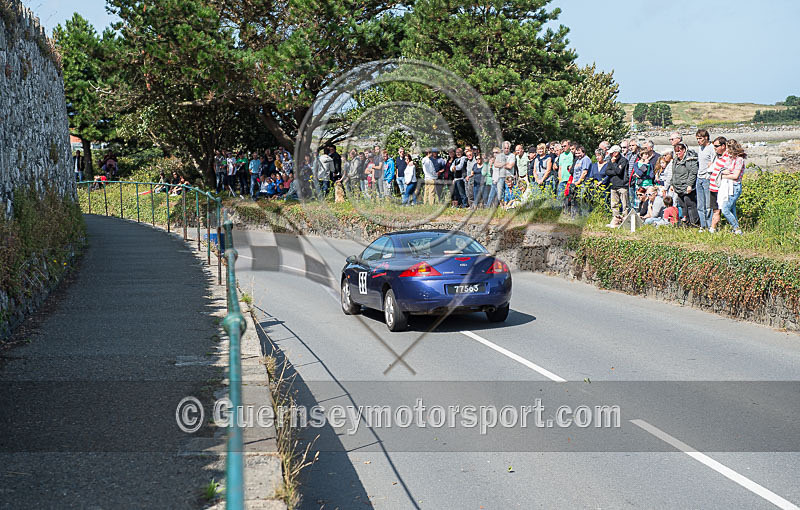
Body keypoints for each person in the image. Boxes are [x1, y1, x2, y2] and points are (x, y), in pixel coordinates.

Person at [719, 139, 745, 235]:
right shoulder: (730, 159)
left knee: (725, 209)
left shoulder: (739, 160)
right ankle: (736, 229)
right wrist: (723, 173)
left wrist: (722, 176)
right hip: (727, 186)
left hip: (735, 186)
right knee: (732, 209)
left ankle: (737, 228)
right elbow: (724, 169)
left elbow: (735, 176)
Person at [671, 142, 700, 226]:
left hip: (687, 186)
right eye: (676, 151)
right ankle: (686, 221)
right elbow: (673, 173)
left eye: (679, 151)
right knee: (682, 205)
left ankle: (694, 222)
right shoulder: (675, 160)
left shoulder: (690, 160)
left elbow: (692, 173)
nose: (677, 153)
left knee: (690, 204)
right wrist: (672, 183)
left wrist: (690, 185)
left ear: (683, 150)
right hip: (678, 186)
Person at [708, 137, 730, 233]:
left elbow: (729, 170)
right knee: (715, 209)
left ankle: (713, 228)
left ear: (723, 146)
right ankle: (714, 227)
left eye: (717, 146)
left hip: (719, 188)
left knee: (720, 210)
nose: (715, 148)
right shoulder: (718, 157)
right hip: (713, 187)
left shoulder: (727, 158)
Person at [695, 129, 715, 231]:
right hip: (699, 177)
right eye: (697, 139)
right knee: (700, 204)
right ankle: (703, 226)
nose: (698, 141)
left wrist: (709, 174)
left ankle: (710, 225)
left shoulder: (711, 148)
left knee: (708, 205)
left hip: (707, 179)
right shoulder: (700, 148)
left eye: (700, 138)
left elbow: (714, 162)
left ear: (706, 138)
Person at [604, 145, 630, 217]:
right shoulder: (611, 161)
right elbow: (607, 172)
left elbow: (619, 172)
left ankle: (625, 219)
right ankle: (616, 219)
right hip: (613, 185)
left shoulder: (623, 161)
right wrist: (614, 169)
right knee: (614, 205)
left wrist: (613, 164)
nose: (610, 154)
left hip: (622, 185)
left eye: (612, 153)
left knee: (625, 205)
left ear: (616, 153)